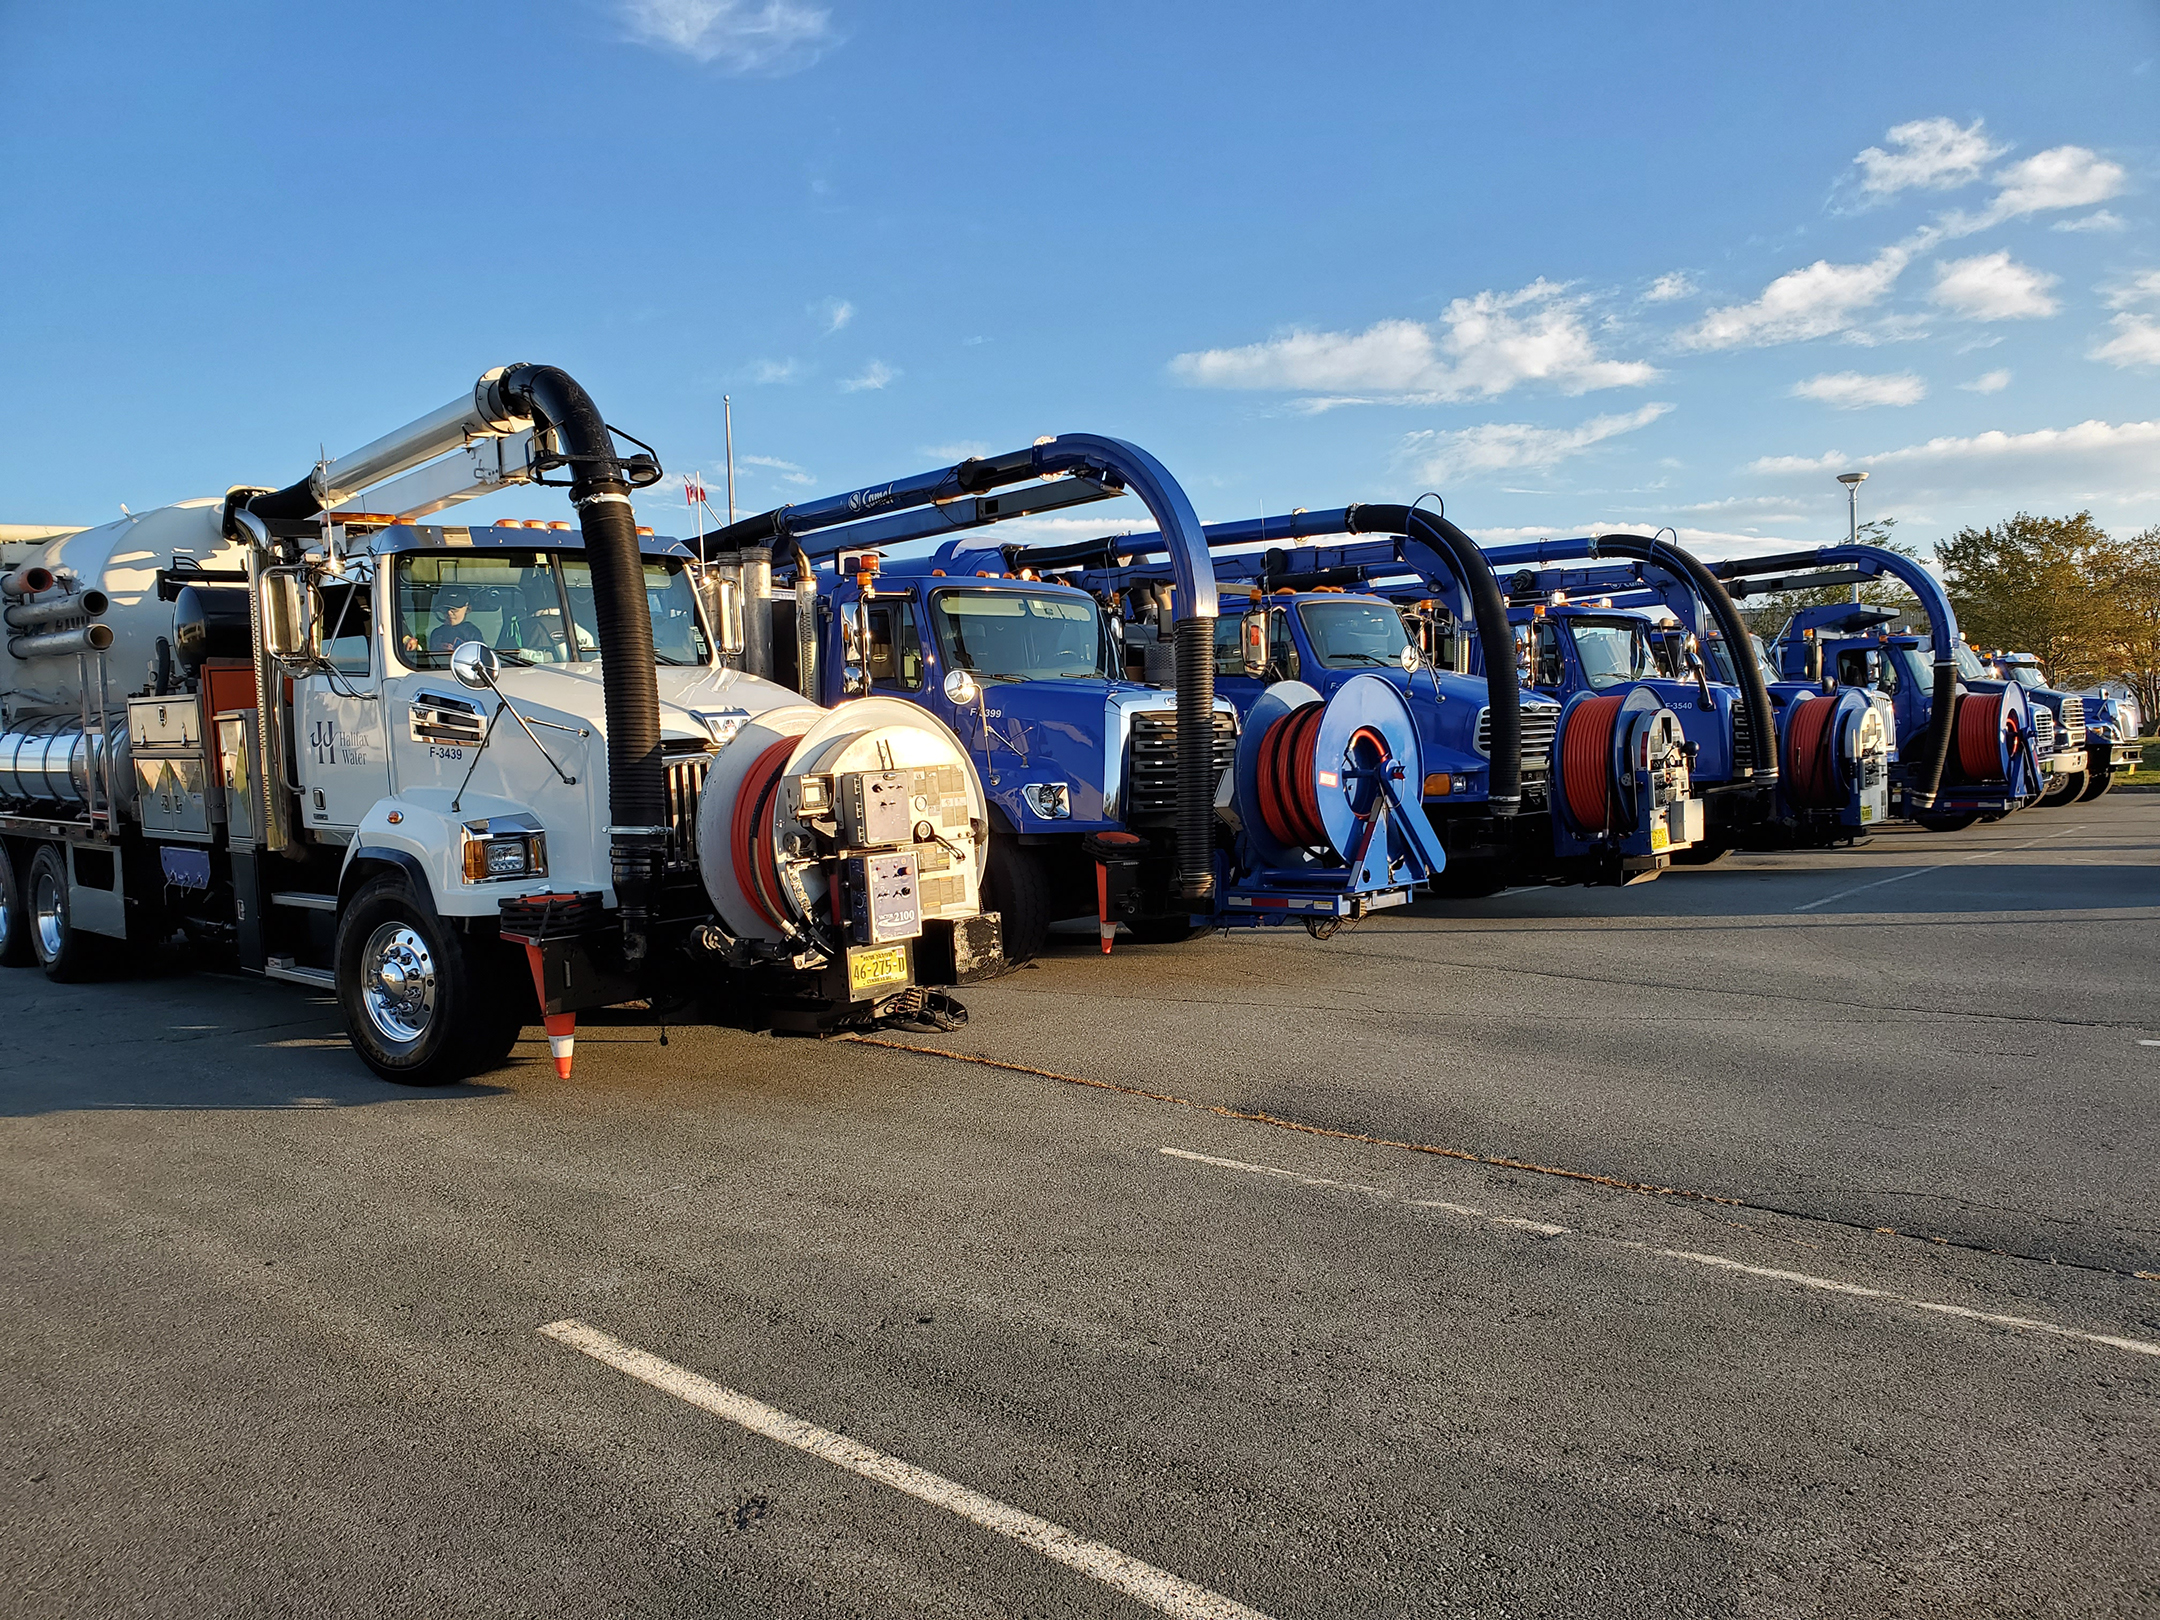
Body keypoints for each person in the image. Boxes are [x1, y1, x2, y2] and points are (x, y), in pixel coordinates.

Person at [401, 584, 485, 658]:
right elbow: (427, 657)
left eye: (454, 609)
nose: (448, 612)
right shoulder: (436, 633)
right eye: (444, 609)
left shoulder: (472, 633)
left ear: (468, 609)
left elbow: (479, 657)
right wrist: (415, 647)